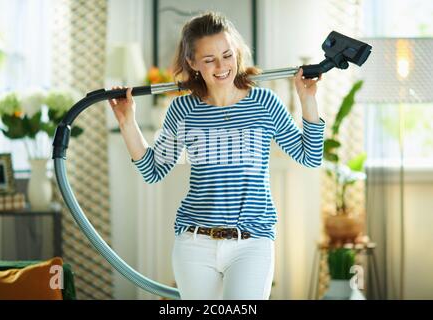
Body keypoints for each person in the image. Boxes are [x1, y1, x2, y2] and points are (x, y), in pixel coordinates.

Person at [108, 12, 325, 300]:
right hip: (195, 242)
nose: (222, 66)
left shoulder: (264, 103)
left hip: (252, 242)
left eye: (227, 55)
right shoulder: (183, 110)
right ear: (193, 63)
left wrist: (308, 100)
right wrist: (127, 121)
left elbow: (310, 156)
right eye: (209, 59)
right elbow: (153, 170)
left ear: (237, 53)